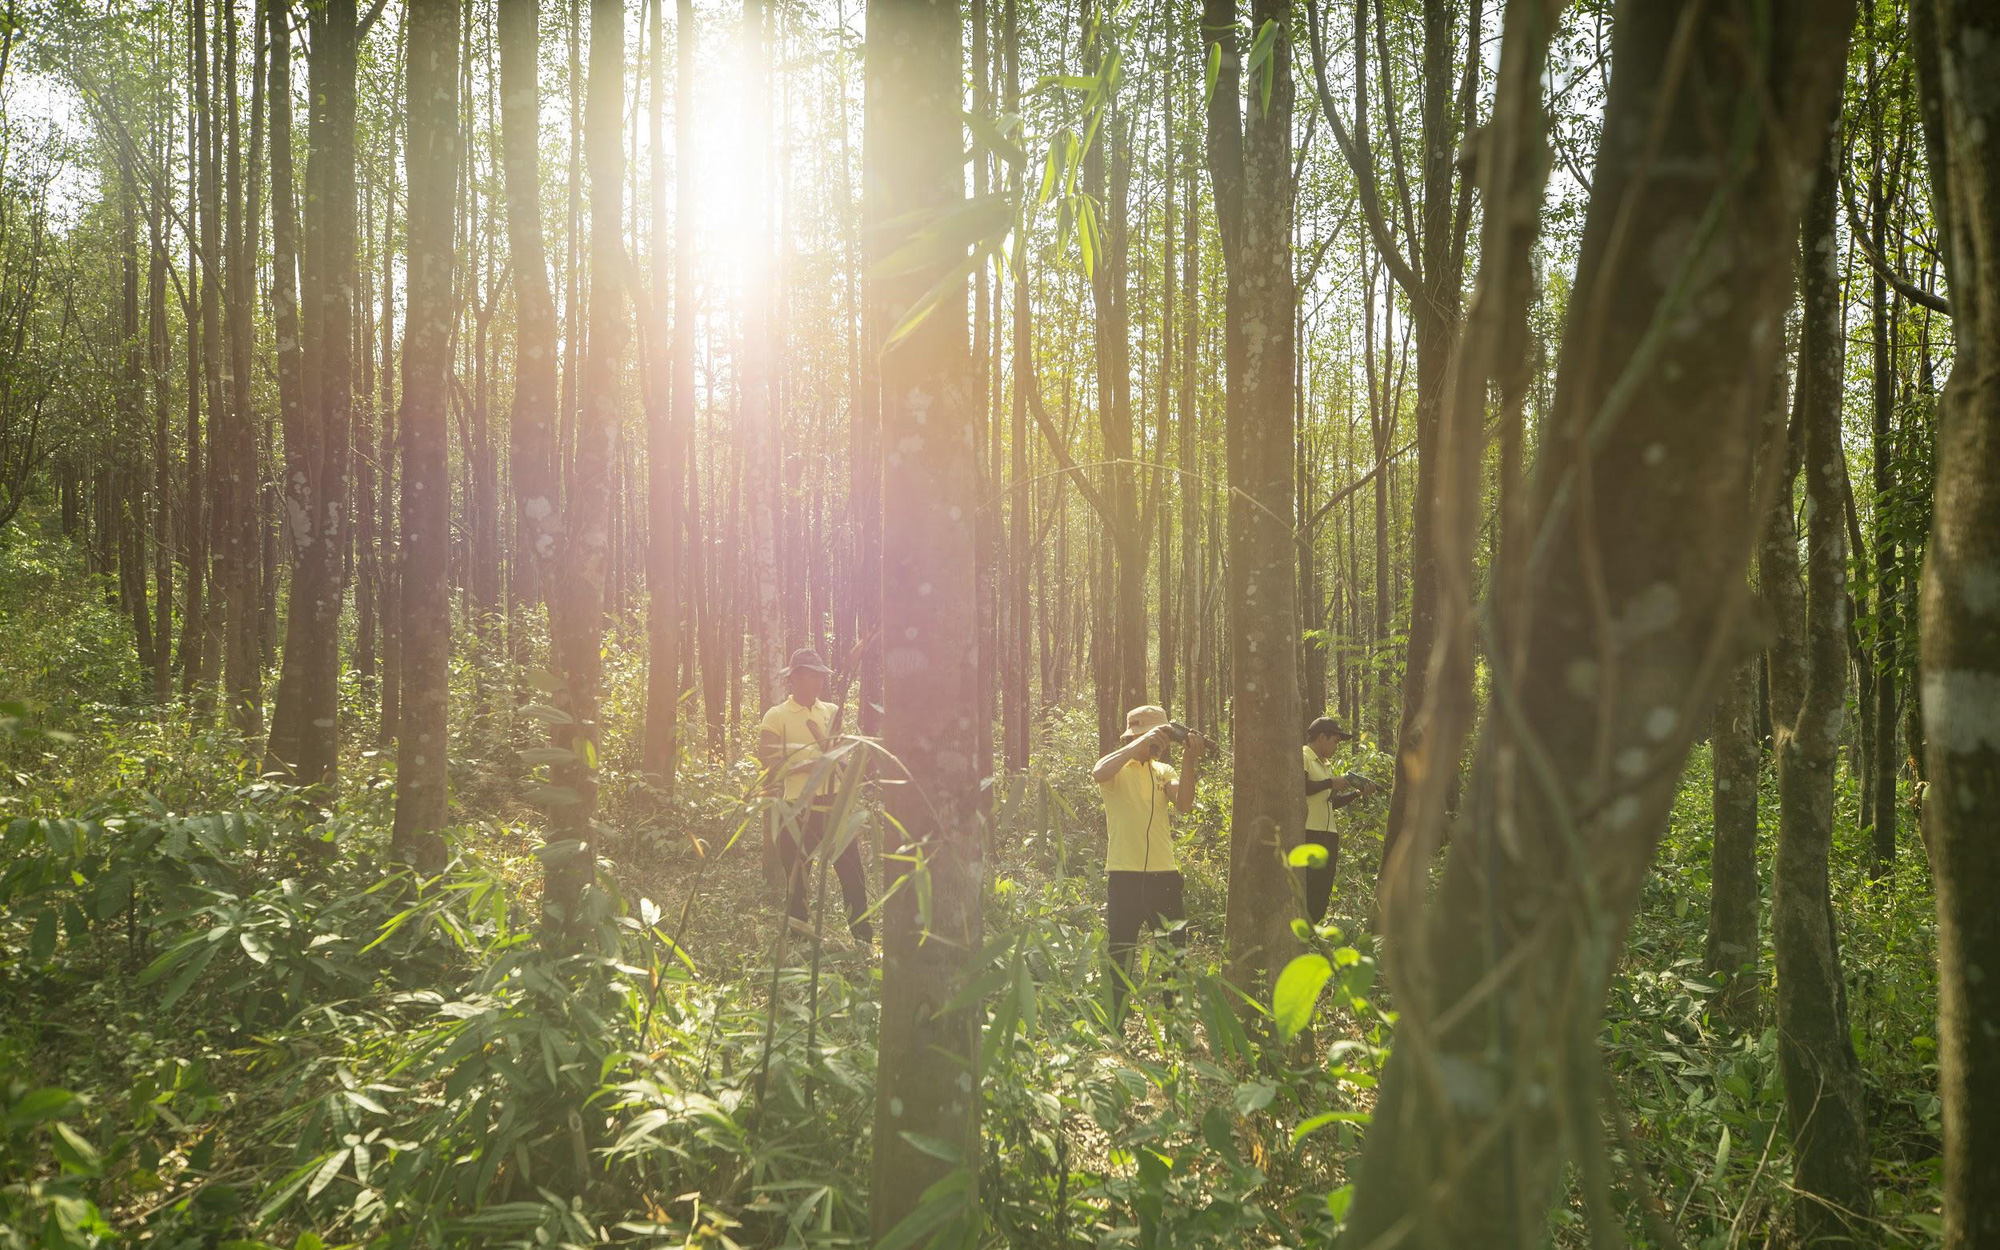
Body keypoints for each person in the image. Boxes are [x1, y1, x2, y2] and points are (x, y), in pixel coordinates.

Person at [1091, 704, 1208, 1023]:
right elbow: (1098, 771)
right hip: (1124, 877)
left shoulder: (1163, 771)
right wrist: (1134, 747)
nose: (1158, 746)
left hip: (1164, 877)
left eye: (1161, 739)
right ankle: (1115, 1025)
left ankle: (1175, 1025)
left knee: (1173, 954)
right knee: (1121, 954)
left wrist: (1188, 761)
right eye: (1153, 739)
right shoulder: (1117, 770)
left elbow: (1183, 804)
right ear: (1136, 737)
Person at [759, 647, 872, 944]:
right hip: (795, 807)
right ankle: (799, 945)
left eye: (820, 676)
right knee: (798, 882)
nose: (817, 682)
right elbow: (767, 760)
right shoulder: (776, 715)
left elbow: (839, 751)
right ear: (794, 678)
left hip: (833, 804)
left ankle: (863, 941)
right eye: (810, 676)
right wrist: (809, 765)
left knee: (853, 877)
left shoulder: (831, 711)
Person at [1300, 716, 1380, 923]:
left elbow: (1329, 803)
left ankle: (1311, 936)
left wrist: (1356, 794)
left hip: (1328, 836)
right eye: (1334, 741)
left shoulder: (1325, 765)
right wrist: (1329, 783)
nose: (1336, 747)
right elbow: (1300, 788)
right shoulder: (1304, 756)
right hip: (1310, 834)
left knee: (1322, 891)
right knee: (1309, 890)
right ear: (1321, 737)